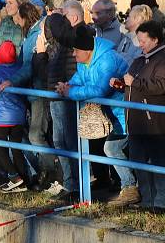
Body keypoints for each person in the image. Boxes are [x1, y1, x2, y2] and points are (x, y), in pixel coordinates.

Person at [57, 25, 138, 207]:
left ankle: (131, 187)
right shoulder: (84, 61)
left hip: (125, 113)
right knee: (116, 150)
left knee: (113, 149)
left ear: (86, 50)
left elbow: (100, 90)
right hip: (111, 115)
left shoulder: (107, 60)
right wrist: (67, 85)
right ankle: (128, 186)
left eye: (76, 51)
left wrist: (70, 93)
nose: (73, 55)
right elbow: (80, 78)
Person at [118, 20, 165, 213]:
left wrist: (135, 82)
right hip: (137, 120)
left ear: (155, 39)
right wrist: (120, 84)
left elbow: (162, 86)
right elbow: (132, 81)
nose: (139, 44)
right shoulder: (140, 59)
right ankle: (147, 200)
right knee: (138, 161)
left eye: (143, 41)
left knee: (159, 161)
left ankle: (161, 203)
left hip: (155, 121)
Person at [0, 1, 54, 189]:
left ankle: (50, 175)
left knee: (36, 135)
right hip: (33, 91)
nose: (16, 22)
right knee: (31, 135)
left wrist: (11, 81)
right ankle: (42, 171)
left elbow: (28, 67)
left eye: (17, 18)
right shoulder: (30, 34)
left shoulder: (34, 36)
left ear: (24, 17)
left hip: (38, 91)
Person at [41, 0, 85, 198]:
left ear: (74, 18)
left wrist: (54, 15)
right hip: (57, 92)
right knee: (59, 140)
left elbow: (58, 30)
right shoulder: (64, 37)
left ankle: (78, 185)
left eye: (64, 16)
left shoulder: (79, 33)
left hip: (69, 94)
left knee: (71, 141)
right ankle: (70, 182)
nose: (60, 20)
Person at [0, 41, 29, 192]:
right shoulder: (20, 70)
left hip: (3, 117)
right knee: (16, 147)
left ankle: (14, 176)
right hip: (19, 115)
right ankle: (23, 180)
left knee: (0, 146)